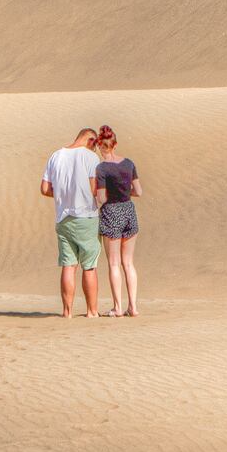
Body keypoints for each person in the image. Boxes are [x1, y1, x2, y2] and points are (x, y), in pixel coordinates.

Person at [40, 128, 102, 317]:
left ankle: (67, 311)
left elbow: (44, 189)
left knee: (69, 265)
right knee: (89, 266)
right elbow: (94, 188)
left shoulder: (56, 156)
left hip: (63, 217)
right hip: (86, 217)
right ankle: (92, 311)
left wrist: (61, 195)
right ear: (90, 140)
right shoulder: (91, 159)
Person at [93, 125, 142, 318]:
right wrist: (124, 192)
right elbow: (138, 191)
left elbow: (102, 198)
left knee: (114, 263)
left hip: (111, 212)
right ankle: (133, 306)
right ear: (115, 144)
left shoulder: (102, 168)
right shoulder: (129, 163)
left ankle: (117, 307)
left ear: (99, 146)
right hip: (129, 210)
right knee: (128, 263)